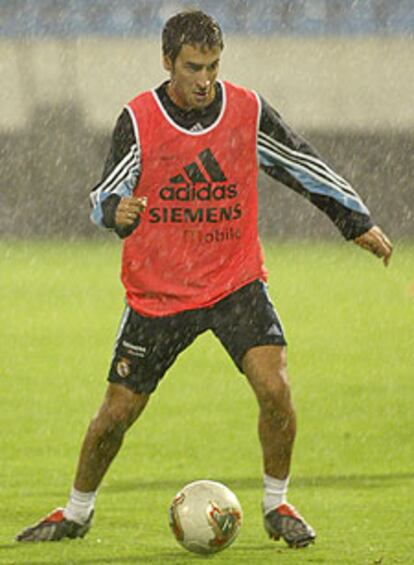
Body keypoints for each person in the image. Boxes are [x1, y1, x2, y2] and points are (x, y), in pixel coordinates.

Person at [16, 10, 392, 548]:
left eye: (213, 66)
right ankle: (76, 512)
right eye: (193, 68)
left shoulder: (245, 110)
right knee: (116, 414)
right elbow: (105, 195)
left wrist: (355, 221)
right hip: (160, 293)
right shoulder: (140, 118)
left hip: (233, 282)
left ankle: (276, 502)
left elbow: (301, 162)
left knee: (275, 387)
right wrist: (114, 213)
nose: (205, 80)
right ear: (167, 62)